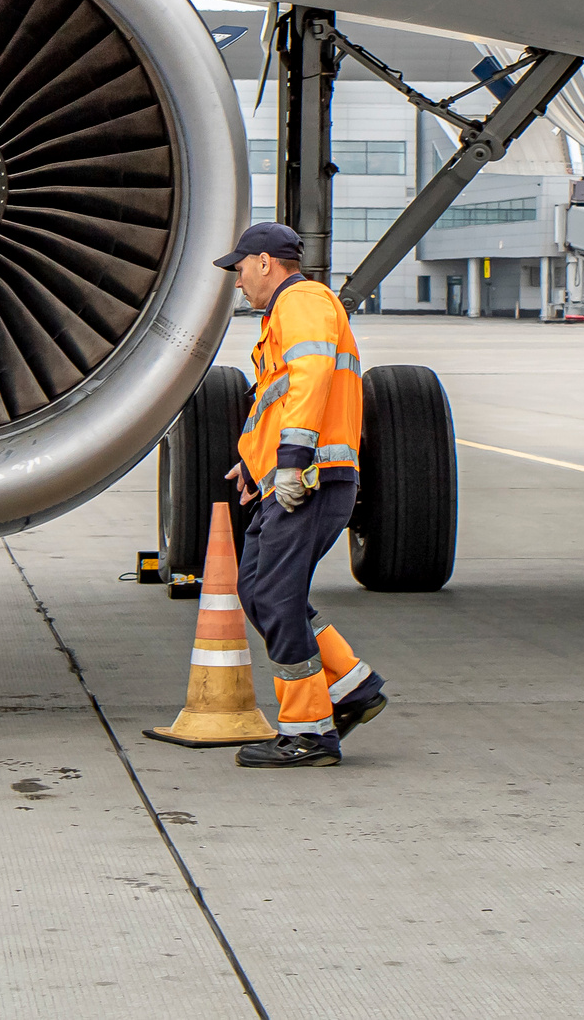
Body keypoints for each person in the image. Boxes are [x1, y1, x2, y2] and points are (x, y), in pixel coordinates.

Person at [218, 222, 390, 768]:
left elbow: (312, 381)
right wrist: (256, 463)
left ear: (266, 262)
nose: (238, 282)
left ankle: (310, 732)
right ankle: (351, 685)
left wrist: (291, 463)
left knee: (274, 597)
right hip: (289, 482)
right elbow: (278, 401)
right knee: (258, 591)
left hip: (311, 481)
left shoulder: (304, 302)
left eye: (240, 268)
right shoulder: (281, 317)